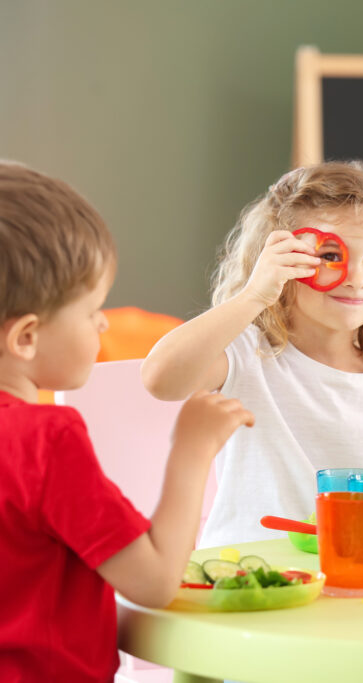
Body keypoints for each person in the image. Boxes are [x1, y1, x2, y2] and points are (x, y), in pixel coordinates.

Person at [142, 160, 363, 547]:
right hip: (246, 571)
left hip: (347, 571)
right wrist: (254, 295)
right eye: (330, 256)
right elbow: (161, 379)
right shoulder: (246, 355)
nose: (357, 279)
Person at [0, 161, 253, 680]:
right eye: (91, 309)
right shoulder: (45, 441)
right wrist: (192, 449)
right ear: (26, 337)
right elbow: (154, 581)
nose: (102, 323)